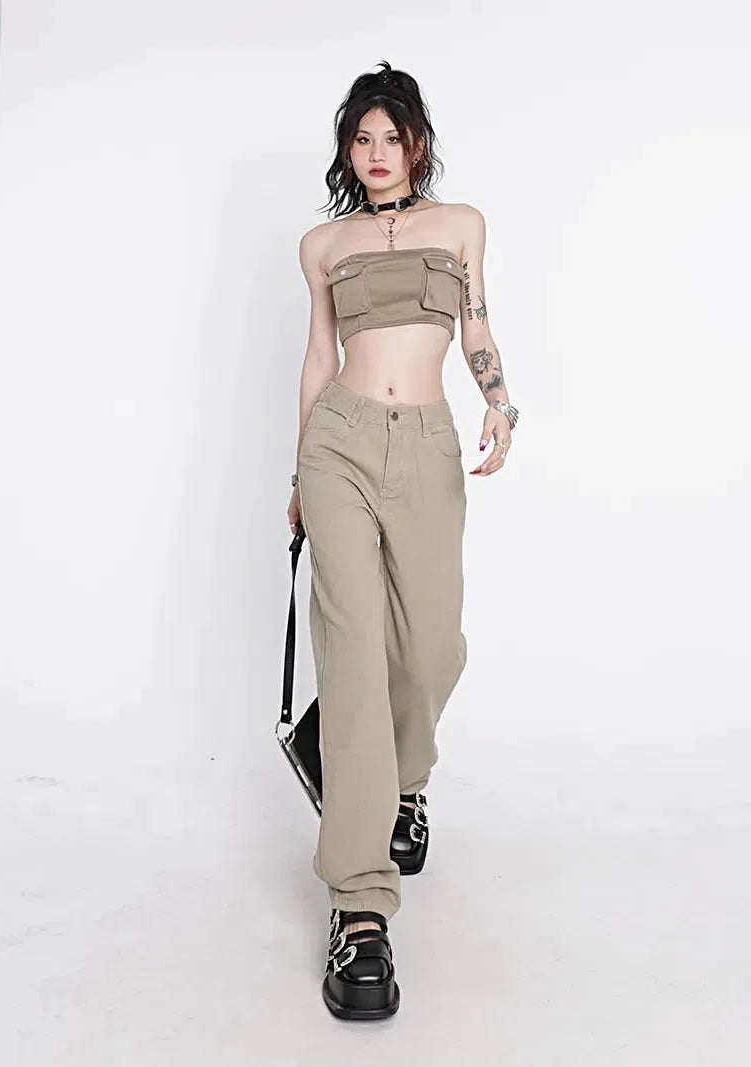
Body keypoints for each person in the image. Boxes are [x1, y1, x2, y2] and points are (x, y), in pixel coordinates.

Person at [286, 60, 519, 1020]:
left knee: (430, 649)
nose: (377, 153)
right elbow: (319, 356)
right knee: (352, 657)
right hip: (338, 442)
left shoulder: (460, 225)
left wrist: (500, 399)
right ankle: (360, 907)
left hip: (425, 445)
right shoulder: (322, 244)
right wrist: (298, 475)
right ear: (348, 149)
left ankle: (403, 781)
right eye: (362, 138)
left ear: (417, 144)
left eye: (392, 137)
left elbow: (475, 326)